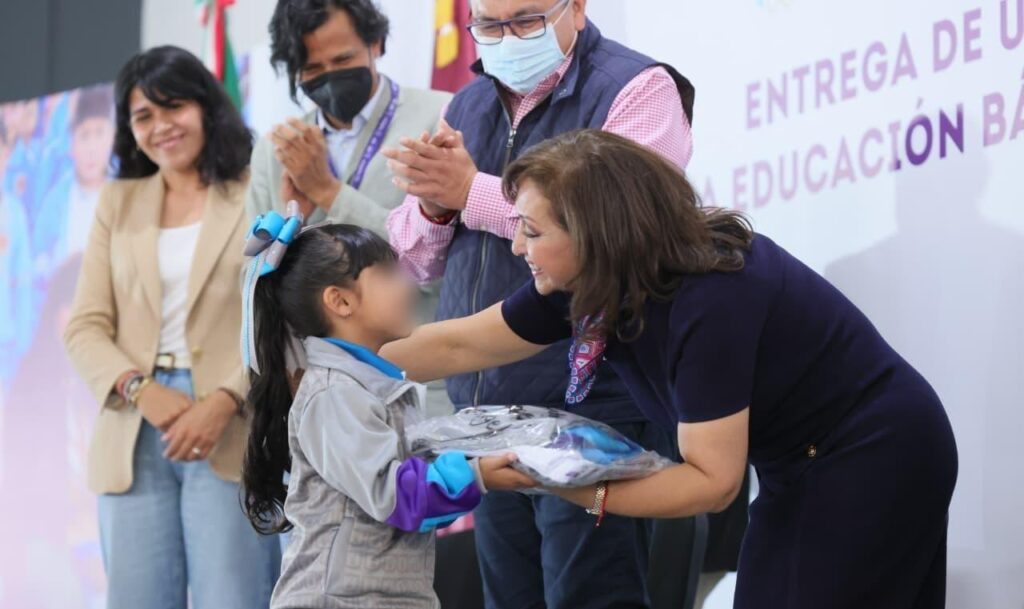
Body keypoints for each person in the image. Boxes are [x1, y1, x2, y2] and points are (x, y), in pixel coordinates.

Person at [381, 129, 959, 609]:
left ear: (595, 233)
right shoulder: (589, 277)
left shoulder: (710, 297)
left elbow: (712, 482)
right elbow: (458, 346)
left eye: (532, 231)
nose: (516, 248)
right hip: (799, 462)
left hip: (875, 452)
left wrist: (576, 488)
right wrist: (339, 360)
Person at [384, 2, 708, 607]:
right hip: (489, 419)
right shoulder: (466, 106)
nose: (507, 39)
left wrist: (468, 191)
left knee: (593, 596)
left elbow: (613, 233)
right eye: (489, 25)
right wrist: (433, 205)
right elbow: (415, 261)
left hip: (597, 413)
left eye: (526, 20)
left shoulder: (638, 89)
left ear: (576, 7)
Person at [62, 46, 281, 608]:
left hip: (234, 424)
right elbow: (85, 326)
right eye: (144, 116)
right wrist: (140, 388)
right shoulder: (117, 201)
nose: (161, 126)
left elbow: (280, 316)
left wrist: (226, 399)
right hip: (133, 426)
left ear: (206, 107)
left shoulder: (257, 189)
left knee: (232, 597)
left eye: (174, 107)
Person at [239, 218, 533, 608]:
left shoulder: (370, 386)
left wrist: (469, 468)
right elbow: (395, 495)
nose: (409, 285)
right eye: (388, 274)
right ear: (340, 301)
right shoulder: (334, 394)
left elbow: (416, 506)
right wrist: (475, 475)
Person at [247, 0, 454, 415]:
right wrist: (297, 220)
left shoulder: (439, 118)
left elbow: (443, 266)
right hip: (318, 392)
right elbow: (254, 281)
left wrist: (329, 192)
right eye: (311, 69)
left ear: (375, 43)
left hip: (421, 378)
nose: (330, 76)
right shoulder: (276, 149)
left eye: (343, 59)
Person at [33, 85, 115, 292]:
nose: (92, 148)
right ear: (71, 144)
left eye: (99, 133)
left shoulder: (124, 196)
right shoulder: (57, 199)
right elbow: (38, 257)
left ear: (112, 138)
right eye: (84, 136)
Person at [0, 118, 34, 389]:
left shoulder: (14, 213)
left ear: (7, 153)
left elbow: (24, 283)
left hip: (7, 345)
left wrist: (24, 348)